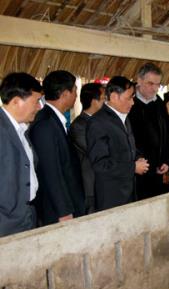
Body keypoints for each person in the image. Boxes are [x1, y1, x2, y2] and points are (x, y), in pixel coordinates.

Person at [29, 70, 85, 225]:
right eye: (75, 90)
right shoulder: (46, 124)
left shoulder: (54, 120)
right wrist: (64, 210)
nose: (76, 95)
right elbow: (51, 171)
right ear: (65, 94)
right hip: (57, 210)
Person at [87, 76, 149, 211]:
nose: (133, 102)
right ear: (114, 97)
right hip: (112, 196)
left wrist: (138, 157)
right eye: (129, 98)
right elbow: (100, 164)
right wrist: (132, 167)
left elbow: (127, 147)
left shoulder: (124, 117)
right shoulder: (98, 122)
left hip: (129, 191)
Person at [0, 72, 42, 236]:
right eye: (36, 101)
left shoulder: (22, 129)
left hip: (27, 216)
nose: (39, 107)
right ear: (16, 101)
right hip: (6, 225)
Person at [128, 63, 169, 200]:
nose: (155, 88)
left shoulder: (159, 103)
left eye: (158, 84)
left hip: (156, 169)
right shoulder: (129, 103)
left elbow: (166, 134)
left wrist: (165, 160)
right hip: (134, 169)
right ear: (139, 81)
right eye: (150, 83)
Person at [69, 83, 105, 214]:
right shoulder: (78, 125)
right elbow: (96, 151)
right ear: (94, 101)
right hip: (90, 186)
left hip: (103, 184)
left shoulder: (102, 121)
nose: (105, 103)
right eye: (103, 99)